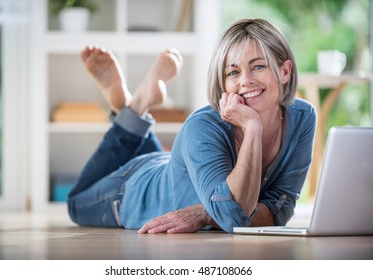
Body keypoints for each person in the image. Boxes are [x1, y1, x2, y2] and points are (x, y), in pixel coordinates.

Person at [68, 18, 316, 234]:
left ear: (285, 72)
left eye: (258, 66)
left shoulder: (303, 118)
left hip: (175, 170)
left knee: (175, 173)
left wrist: (206, 213)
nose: (246, 81)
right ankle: (133, 108)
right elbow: (232, 218)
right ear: (222, 82)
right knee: (75, 203)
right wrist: (252, 127)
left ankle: (130, 107)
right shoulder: (202, 125)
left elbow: (279, 213)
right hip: (134, 190)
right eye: (233, 72)